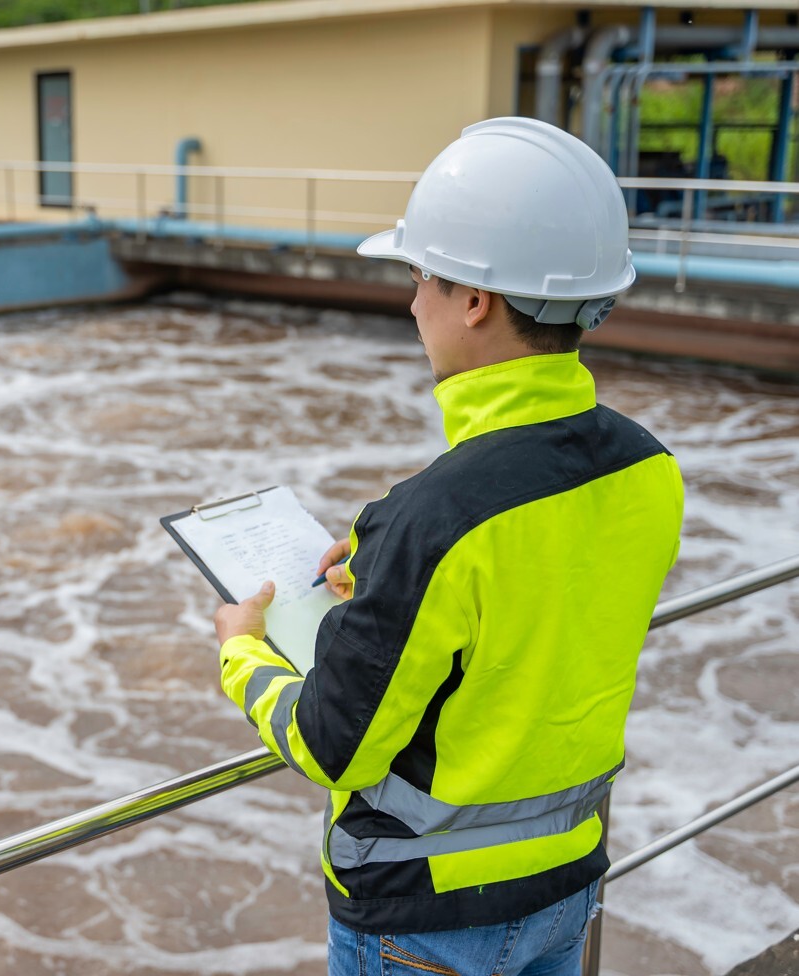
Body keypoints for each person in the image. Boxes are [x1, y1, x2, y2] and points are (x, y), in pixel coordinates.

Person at [211, 117, 685, 975]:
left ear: (474, 301)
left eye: (420, 275)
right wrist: (390, 572)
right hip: (565, 884)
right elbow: (541, 601)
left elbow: (332, 746)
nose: (410, 301)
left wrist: (243, 652)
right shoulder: (648, 469)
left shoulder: (432, 522)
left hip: (424, 920)